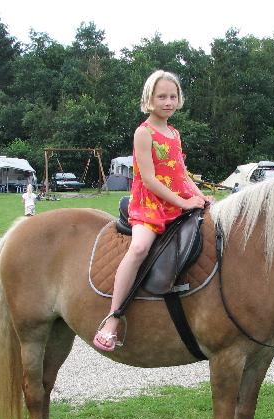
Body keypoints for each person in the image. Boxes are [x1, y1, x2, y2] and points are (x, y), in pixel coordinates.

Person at [93, 70, 209, 352]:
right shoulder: (143, 133)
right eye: (162, 97)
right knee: (139, 248)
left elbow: (180, 172)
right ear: (149, 99)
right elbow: (149, 179)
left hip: (177, 199)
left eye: (173, 96)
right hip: (151, 205)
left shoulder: (174, 133)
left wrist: (198, 196)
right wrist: (183, 203)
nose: (168, 102)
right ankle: (112, 319)